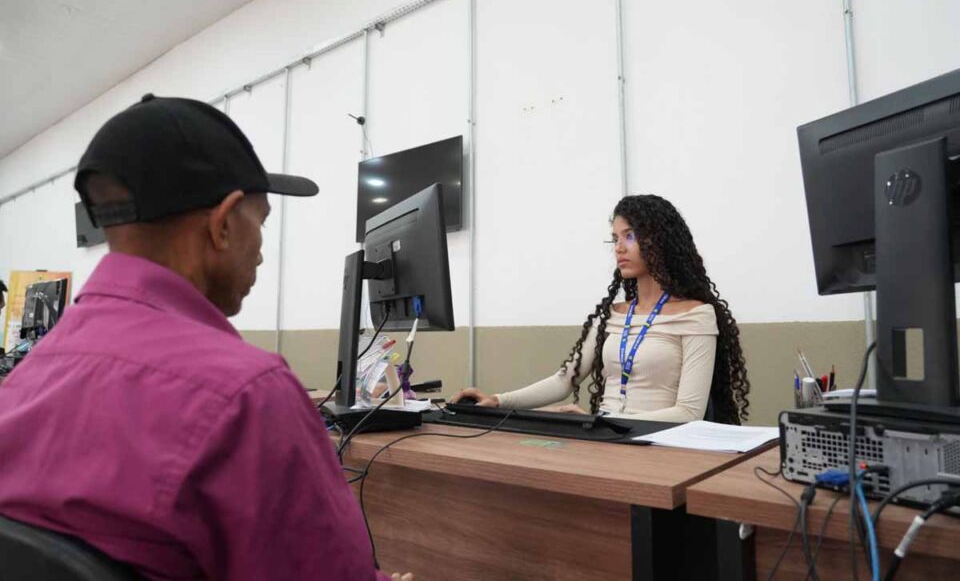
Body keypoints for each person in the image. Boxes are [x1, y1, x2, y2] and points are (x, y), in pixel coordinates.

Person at [0, 95, 413, 580]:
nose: (261, 252)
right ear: (223, 225)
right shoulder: (248, 397)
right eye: (261, 221)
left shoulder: (24, 382)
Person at [452, 194, 750, 424]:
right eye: (615, 238)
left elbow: (688, 412)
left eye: (630, 236)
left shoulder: (696, 315)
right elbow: (563, 381)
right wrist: (498, 401)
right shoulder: (614, 315)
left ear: (661, 241)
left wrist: (602, 424)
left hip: (656, 447)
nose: (619, 247)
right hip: (605, 438)